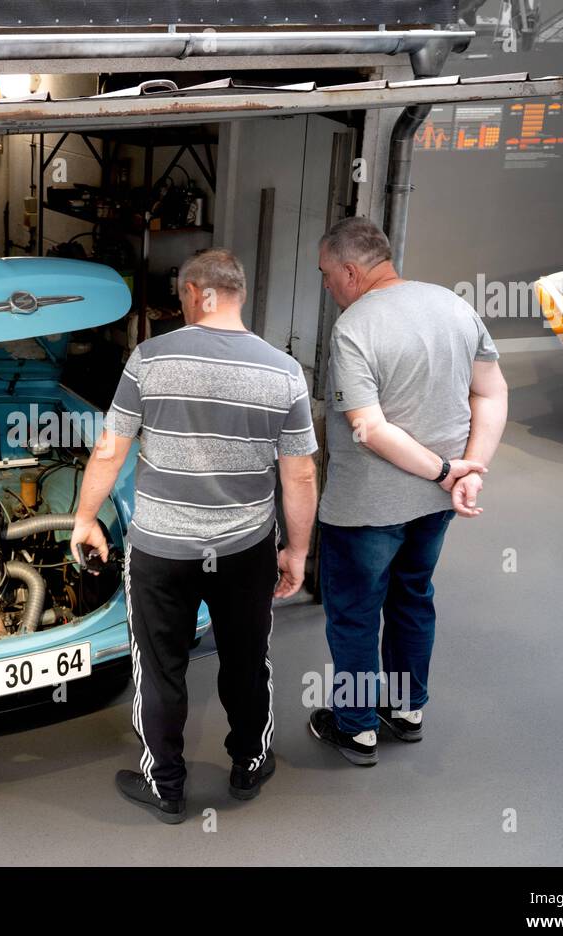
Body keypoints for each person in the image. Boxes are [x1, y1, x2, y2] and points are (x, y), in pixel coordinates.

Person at [69, 248, 319, 824]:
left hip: (161, 550)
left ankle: (168, 787)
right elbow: (301, 472)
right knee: (246, 660)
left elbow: (111, 448)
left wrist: (85, 518)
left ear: (191, 293)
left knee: (160, 669)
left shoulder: (149, 359)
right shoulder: (284, 371)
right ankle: (249, 764)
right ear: (239, 295)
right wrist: (298, 551)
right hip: (244, 549)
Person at [310, 217, 508, 766]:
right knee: (413, 596)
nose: (326, 286)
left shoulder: (354, 328)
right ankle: (405, 710)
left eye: (327, 275)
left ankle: (356, 730)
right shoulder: (454, 306)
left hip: (367, 508)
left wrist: (448, 471)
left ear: (351, 271)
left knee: (354, 613)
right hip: (432, 508)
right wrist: (470, 471)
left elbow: (369, 428)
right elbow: (491, 394)